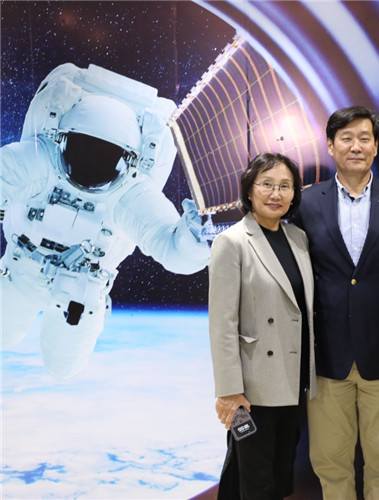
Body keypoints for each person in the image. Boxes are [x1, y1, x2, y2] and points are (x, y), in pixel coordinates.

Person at [0, 63, 209, 380]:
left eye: (102, 158)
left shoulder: (131, 192)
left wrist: (194, 237)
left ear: (128, 160)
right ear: (63, 140)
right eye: (85, 151)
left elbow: (172, 248)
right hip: (22, 272)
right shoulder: (39, 160)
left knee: (63, 368)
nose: (90, 164)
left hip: (79, 289)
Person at [291, 106, 379, 499]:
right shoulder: (305, 203)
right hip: (325, 357)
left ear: (376, 146)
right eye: (346, 138)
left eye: (364, 138)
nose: (356, 146)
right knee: (330, 463)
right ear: (330, 145)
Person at [208, 153, 317, 500]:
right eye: (267, 184)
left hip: (293, 382)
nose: (276, 194)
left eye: (285, 186)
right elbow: (222, 323)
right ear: (249, 190)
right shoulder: (232, 242)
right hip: (252, 389)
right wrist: (229, 391)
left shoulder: (298, 238)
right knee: (254, 480)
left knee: (280, 475)